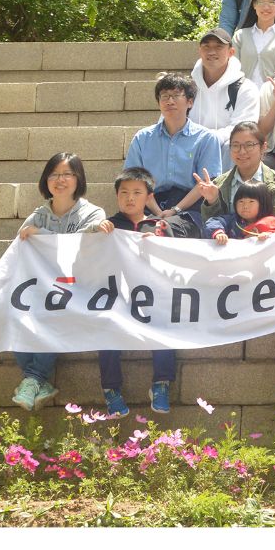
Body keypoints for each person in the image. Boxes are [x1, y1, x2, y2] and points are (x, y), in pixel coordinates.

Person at [0, 154, 111, 410]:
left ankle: (33, 379)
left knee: (50, 312)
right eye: (54, 174)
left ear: (78, 179)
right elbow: (14, 261)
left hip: (78, 291)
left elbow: (83, 247)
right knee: (9, 310)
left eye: (67, 174)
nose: (60, 180)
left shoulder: (93, 213)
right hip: (40, 289)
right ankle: (36, 381)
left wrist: (43, 235)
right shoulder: (38, 215)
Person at [94, 167, 175, 414]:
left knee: (165, 326)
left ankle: (161, 384)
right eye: (124, 193)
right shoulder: (108, 225)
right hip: (116, 297)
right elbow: (91, 258)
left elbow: (177, 261)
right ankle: (111, 389)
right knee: (106, 327)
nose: (130, 198)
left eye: (137, 192)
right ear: (117, 196)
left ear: (148, 197)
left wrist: (162, 247)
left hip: (152, 297)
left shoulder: (159, 226)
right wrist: (97, 235)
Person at [123, 73, 224, 232]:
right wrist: (157, 211)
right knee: (114, 228)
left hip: (189, 207)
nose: (169, 101)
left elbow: (203, 184)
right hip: (149, 203)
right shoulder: (142, 138)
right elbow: (133, 180)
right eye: (164, 96)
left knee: (163, 230)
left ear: (190, 102)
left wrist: (175, 210)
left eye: (176, 95)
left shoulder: (206, 138)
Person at [196, 120, 275, 227]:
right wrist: (212, 201)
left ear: (263, 147)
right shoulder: (219, 184)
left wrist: (267, 235)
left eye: (249, 145)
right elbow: (210, 225)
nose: (242, 151)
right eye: (236, 145)